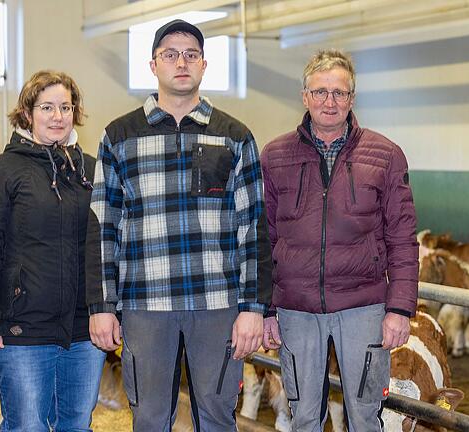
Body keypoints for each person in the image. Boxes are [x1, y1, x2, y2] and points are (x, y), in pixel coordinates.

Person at [86, 19, 271, 431]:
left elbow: (253, 227)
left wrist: (254, 309)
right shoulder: (119, 136)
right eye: (170, 55)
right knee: (150, 418)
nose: (181, 63)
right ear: (154, 65)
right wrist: (102, 306)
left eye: (190, 55)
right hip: (145, 304)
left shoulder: (234, 136)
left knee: (218, 416)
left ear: (204, 65)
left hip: (217, 304)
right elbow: (104, 226)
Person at [260, 49, 419, 431]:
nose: (329, 102)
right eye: (320, 92)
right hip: (296, 309)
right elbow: (261, 237)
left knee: (365, 416)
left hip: (363, 306)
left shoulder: (385, 155)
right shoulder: (275, 156)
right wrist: (264, 308)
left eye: (339, 93)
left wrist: (399, 308)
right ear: (304, 97)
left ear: (351, 98)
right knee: (304, 417)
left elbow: (402, 237)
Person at [0, 70, 104, 432]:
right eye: (47, 107)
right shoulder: (2, 171)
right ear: (27, 113)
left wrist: (108, 310)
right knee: (27, 425)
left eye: (66, 107)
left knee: (77, 424)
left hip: (83, 329)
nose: (58, 116)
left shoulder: (90, 170)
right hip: (21, 329)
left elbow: (104, 244)